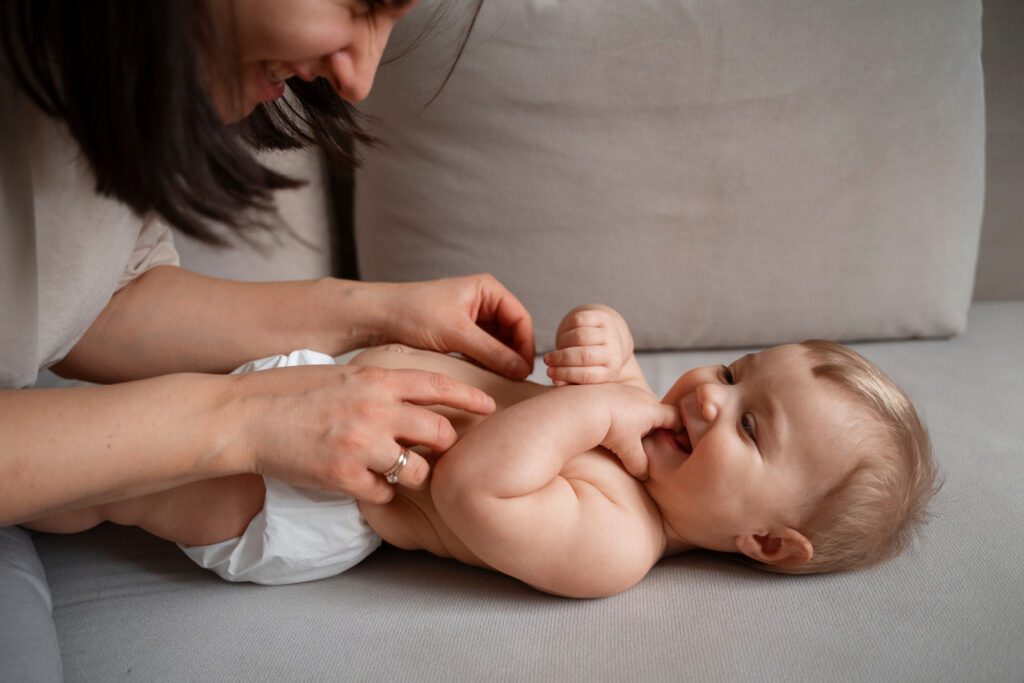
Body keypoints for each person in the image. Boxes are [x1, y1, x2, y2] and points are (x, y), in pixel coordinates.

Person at [0, 0, 531, 532]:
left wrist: (380, 310)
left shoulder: (95, 84)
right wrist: (246, 420)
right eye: (357, 7)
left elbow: (95, 303)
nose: (359, 80)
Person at [26, 304, 940, 597]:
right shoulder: (639, 423)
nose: (709, 390)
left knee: (109, 486)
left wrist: (590, 412)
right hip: (317, 393)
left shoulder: (618, 543)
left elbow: (473, 487)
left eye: (747, 425)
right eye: (737, 370)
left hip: (310, 499)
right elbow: (587, 382)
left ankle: (33, 495)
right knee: (103, 415)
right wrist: (601, 347)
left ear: (767, 541)